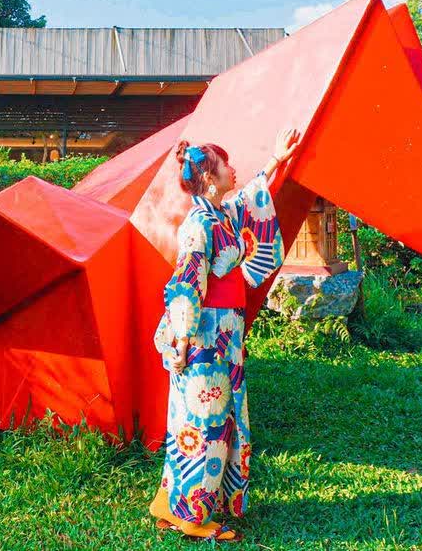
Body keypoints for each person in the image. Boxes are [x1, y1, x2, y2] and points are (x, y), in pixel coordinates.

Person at [149, 128, 301, 543]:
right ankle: (194, 516)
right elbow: (187, 283)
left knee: (208, 418)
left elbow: (247, 195)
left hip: (225, 332)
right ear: (211, 179)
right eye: (226, 164)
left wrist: (276, 160)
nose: (235, 169)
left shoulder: (219, 213)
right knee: (206, 422)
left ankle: (169, 501)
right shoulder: (198, 225)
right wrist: (181, 341)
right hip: (203, 335)